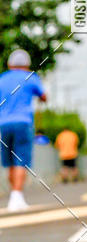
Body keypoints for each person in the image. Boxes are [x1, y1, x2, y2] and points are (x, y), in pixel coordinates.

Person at [0, 49, 47, 211]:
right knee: (21, 160)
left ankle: (14, 196)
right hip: (23, 122)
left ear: (9, 64)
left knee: (10, 163)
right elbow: (43, 96)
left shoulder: (2, 78)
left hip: (4, 124)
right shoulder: (31, 77)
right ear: (27, 65)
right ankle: (17, 196)